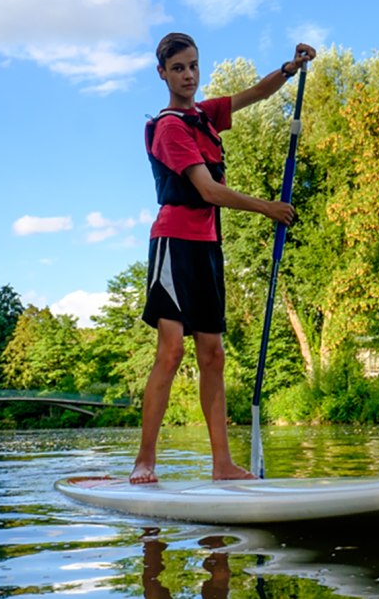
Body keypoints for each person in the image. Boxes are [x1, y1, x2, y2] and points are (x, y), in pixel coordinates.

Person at [130, 33, 314, 484]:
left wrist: (289, 70)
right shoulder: (171, 127)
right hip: (174, 244)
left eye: (193, 66)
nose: (188, 75)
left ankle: (222, 465)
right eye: (178, 69)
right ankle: (144, 461)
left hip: (208, 247)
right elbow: (207, 190)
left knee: (212, 355)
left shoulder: (205, 116)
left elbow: (254, 94)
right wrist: (268, 207)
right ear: (162, 74)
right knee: (171, 352)